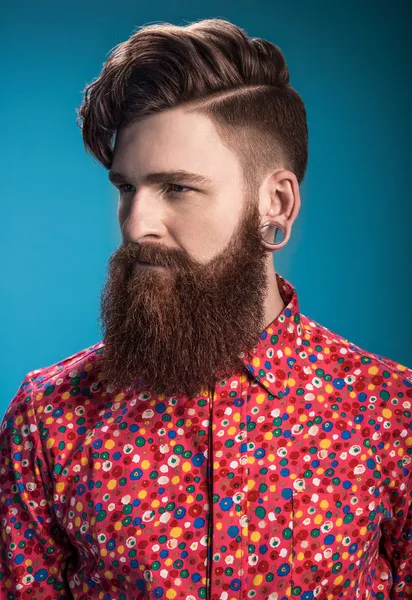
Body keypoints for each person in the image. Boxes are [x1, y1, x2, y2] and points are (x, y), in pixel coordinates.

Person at [0, 17, 411, 600]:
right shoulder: (47, 421)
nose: (137, 223)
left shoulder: (392, 417)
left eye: (177, 188)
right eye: (126, 188)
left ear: (276, 203)